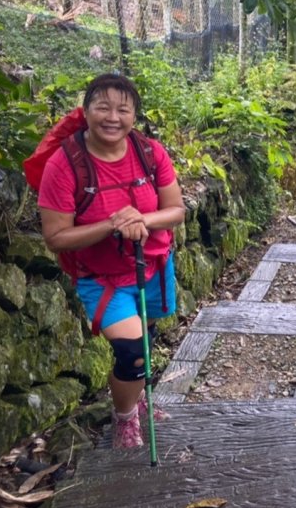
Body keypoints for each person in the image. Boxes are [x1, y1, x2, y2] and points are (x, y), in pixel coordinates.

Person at [38, 73, 185, 448]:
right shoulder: (64, 163)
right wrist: (111, 225)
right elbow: (56, 237)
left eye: (123, 109)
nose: (112, 117)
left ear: (134, 115)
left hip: (149, 264)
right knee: (133, 352)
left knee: (147, 338)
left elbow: (176, 211)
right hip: (101, 276)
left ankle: (138, 400)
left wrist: (138, 219)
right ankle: (125, 417)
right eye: (102, 106)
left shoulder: (150, 152)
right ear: (85, 111)